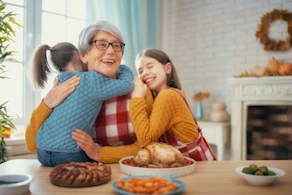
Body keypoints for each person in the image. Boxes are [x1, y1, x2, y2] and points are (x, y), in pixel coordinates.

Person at [25, 21, 153, 164]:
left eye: (116, 46)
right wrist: (46, 104)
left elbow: (146, 145)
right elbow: (31, 144)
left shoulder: (139, 90)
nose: (111, 51)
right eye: (101, 44)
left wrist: (100, 153)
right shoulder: (64, 89)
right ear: (83, 55)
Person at [129, 48, 216, 161]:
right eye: (140, 71)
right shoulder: (168, 96)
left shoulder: (168, 96)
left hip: (198, 167)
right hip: (186, 166)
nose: (144, 73)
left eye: (150, 66)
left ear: (167, 68)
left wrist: (136, 97)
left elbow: (145, 140)